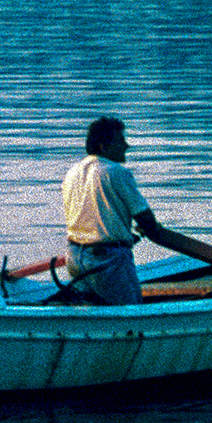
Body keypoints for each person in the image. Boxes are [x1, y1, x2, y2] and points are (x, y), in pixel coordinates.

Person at [61, 116, 168, 305]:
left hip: (75, 256)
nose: (127, 146)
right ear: (104, 146)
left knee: (89, 311)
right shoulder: (115, 171)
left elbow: (94, 217)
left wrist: (123, 233)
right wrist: (151, 229)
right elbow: (144, 216)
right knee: (130, 312)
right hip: (107, 259)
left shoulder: (72, 172)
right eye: (121, 141)